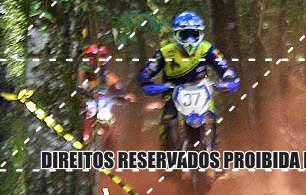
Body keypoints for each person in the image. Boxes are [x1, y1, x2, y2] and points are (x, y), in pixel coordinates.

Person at [137, 11, 239, 148]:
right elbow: (147, 71)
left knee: (212, 118)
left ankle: (213, 149)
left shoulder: (207, 49)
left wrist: (229, 79)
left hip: (202, 92)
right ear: (176, 35)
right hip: (173, 92)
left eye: (194, 34)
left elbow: (223, 66)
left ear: (200, 34)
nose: (189, 40)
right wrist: (147, 83)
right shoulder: (165, 52)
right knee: (168, 122)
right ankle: (167, 152)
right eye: (184, 35)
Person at [79, 43, 131, 143]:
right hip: (93, 101)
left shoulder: (108, 75)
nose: (100, 60)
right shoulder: (85, 72)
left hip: (102, 102)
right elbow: (82, 86)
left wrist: (122, 96)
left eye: (103, 57)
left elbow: (116, 91)